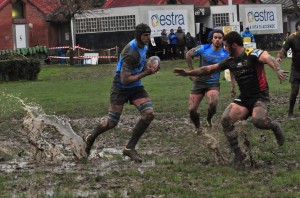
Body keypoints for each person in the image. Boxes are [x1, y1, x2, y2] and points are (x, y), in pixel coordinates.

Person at [174, 31, 287, 168]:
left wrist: (278, 70)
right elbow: (209, 69)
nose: (224, 48)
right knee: (226, 120)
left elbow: (269, 58)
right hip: (244, 98)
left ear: (234, 45)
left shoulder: (252, 53)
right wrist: (188, 73)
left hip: (260, 97)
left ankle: (274, 126)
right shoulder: (229, 61)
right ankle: (239, 154)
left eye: (226, 46)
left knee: (258, 121)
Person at [83, 23, 159, 162]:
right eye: (145, 35)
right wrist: (146, 73)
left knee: (149, 114)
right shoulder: (130, 52)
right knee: (111, 123)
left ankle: (129, 148)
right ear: (138, 35)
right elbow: (125, 80)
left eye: (149, 35)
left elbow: (140, 63)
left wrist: (149, 64)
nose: (148, 38)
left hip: (135, 86)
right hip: (121, 87)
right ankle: (91, 137)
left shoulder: (144, 45)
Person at [185, 29, 229, 132]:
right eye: (215, 37)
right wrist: (191, 72)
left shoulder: (226, 53)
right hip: (199, 82)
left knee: (213, 104)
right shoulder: (204, 48)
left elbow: (232, 68)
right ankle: (198, 127)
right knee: (192, 109)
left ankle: (209, 119)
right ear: (212, 39)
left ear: (223, 40)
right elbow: (188, 54)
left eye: (220, 38)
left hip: (213, 83)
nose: (217, 40)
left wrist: (233, 85)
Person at [277, 21, 300, 118]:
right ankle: (290, 112)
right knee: (294, 91)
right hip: (296, 69)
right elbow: (283, 49)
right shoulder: (292, 38)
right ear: (297, 27)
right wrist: (279, 57)